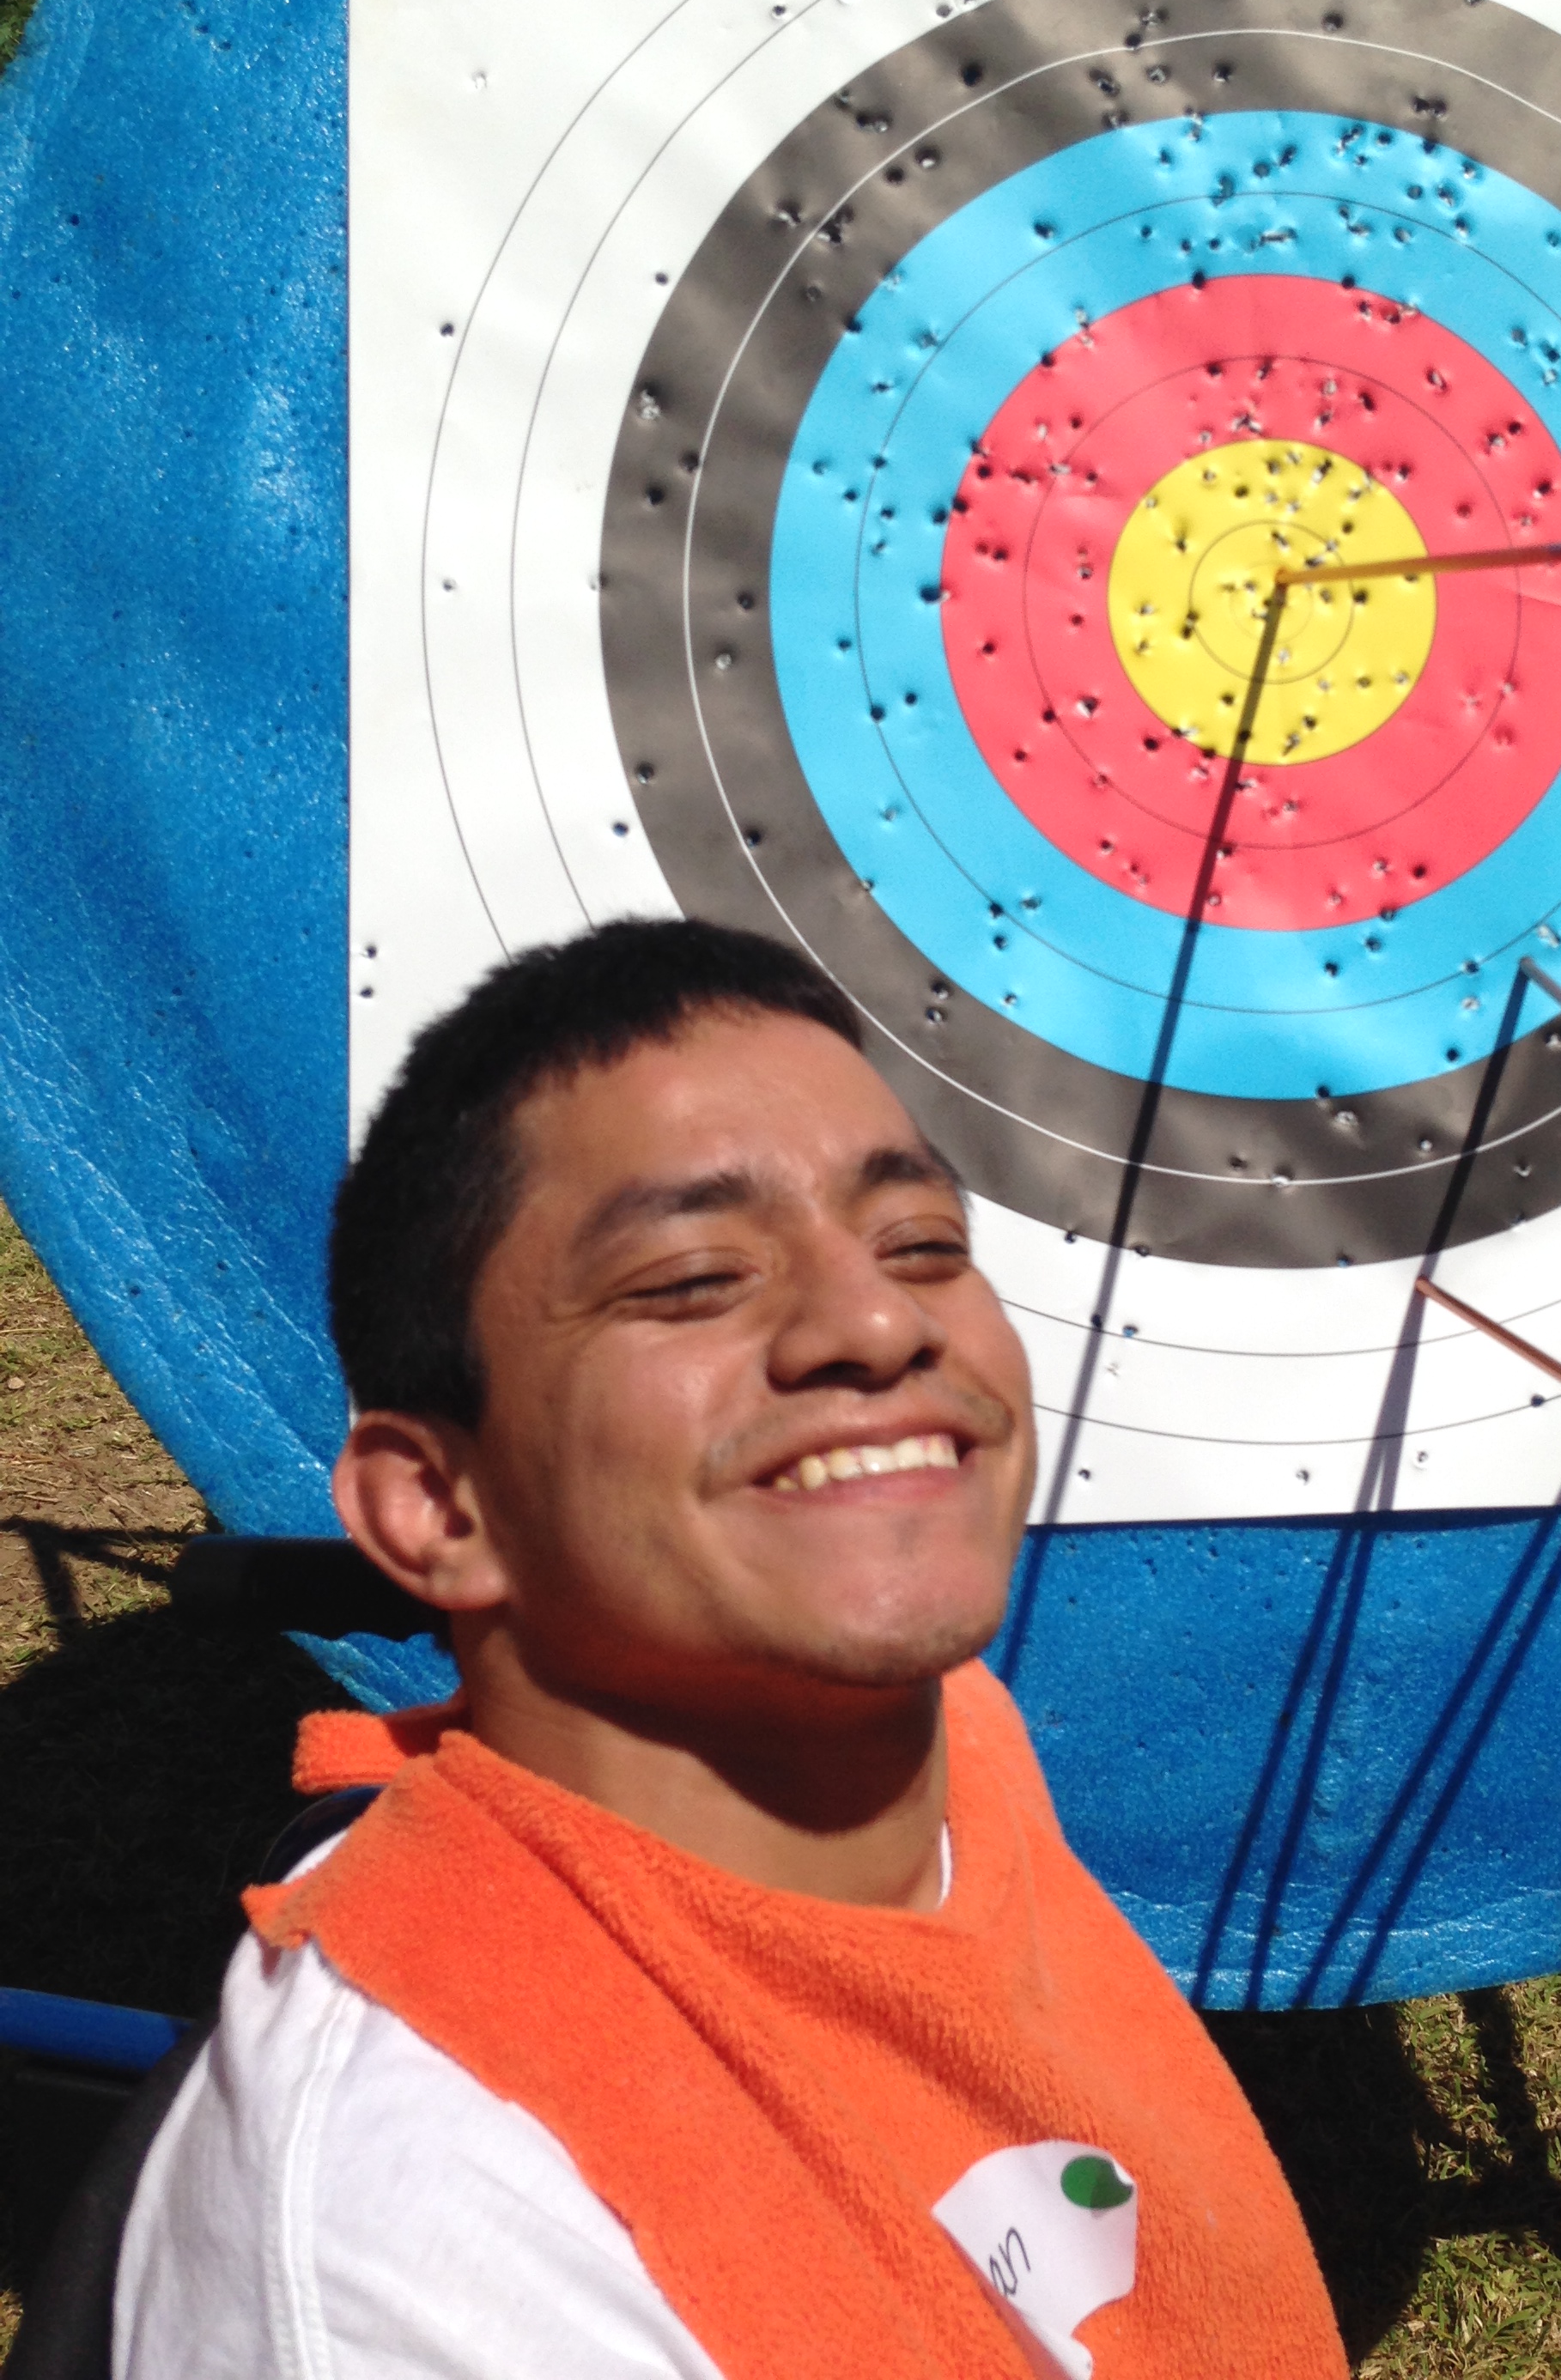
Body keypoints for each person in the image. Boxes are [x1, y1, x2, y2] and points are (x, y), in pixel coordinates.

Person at [114, 917, 1347, 2380]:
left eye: (924, 1244)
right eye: (695, 1278)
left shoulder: (942, 1735)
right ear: (443, 1505)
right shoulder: (426, 2248)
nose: (879, 1320)